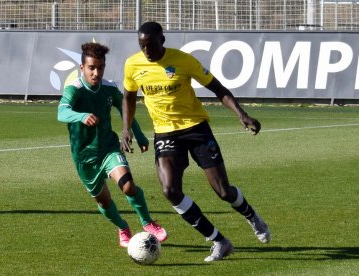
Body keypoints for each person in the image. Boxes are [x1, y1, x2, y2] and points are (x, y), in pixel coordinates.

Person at [120, 22, 270, 262]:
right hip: (165, 134)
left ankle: (252, 216)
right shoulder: (133, 64)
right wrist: (126, 128)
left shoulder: (184, 60)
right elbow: (128, 96)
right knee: (170, 191)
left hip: (196, 129)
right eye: (142, 46)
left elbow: (217, 88)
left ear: (162, 40)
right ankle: (219, 241)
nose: (146, 51)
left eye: (150, 45)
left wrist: (241, 114)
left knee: (222, 191)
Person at [58, 42, 168, 248]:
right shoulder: (74, 90)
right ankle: (123, 227)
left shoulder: (109, 88)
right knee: (103, 202)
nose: (96, 72)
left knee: (127, 185)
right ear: (82, 68)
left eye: (100, 67)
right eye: (91, 68)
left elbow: (125, 109)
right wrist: (80, 116)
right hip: (84, 157)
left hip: (108, 148)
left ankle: (148, 223)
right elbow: (61, 112)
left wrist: (139, 134)